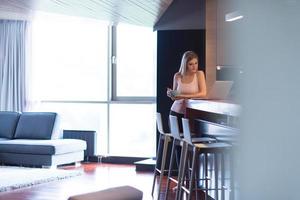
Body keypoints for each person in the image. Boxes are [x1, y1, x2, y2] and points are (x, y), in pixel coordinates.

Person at [167, 50, 207, 131]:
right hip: (176, 112)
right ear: (185, 65)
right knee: (178, 141)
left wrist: (183, 96)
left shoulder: (199, 74)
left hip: (192, 113)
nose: (194, 66)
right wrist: (171, 93)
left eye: (196, 63)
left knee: (190, 140)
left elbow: (203, 93)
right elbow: (175, 97)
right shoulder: (177, 76)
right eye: (191, 64)